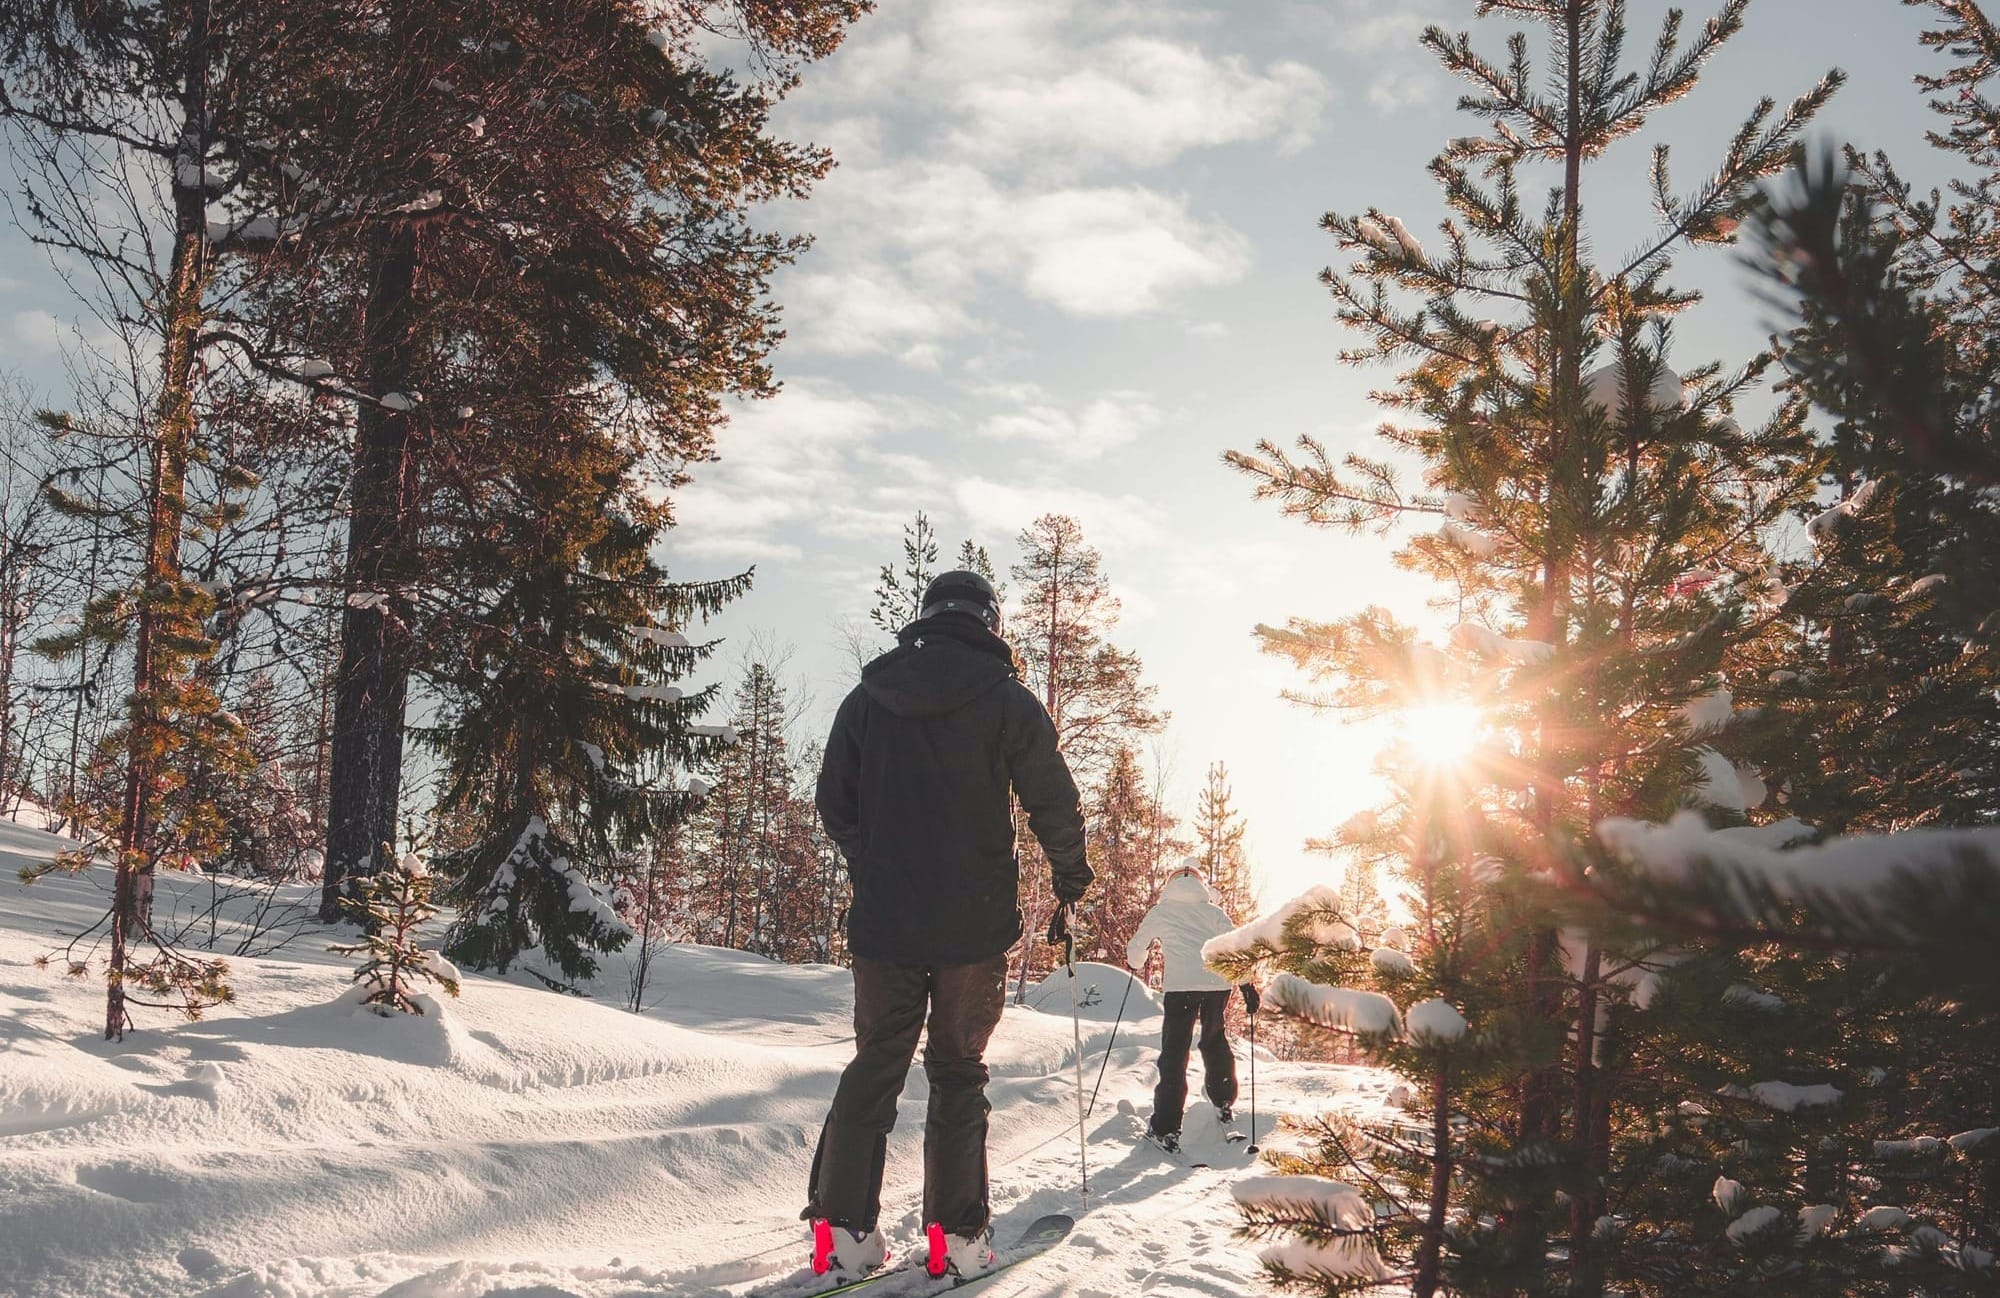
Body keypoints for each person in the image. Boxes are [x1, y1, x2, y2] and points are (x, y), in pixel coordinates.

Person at [805, 569, 1092, 1282]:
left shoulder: (868, 698)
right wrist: (1070, 879)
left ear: (926, 618)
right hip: (971, 928)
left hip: (885, 925)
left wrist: (871, 859)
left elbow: (832, 800)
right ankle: (957, 1240)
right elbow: (1053, 799)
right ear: (990, 623)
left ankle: (840, 1235)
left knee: (876, 1064)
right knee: (958, 1072)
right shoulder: (1006, 700)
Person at [1125, 861, 1260, 1154]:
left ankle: (1166, 1128)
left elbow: (1136, 954)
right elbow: (1237, 946)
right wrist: (1247, 985)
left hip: (1180, 988)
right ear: (1200, 885)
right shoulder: (1213, 911)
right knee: (1214, 1040)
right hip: (1216, 986)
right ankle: (1223, 1104)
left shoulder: (1161, 911)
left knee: (1175, 1053)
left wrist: (1139, 957)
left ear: (1170, 885)